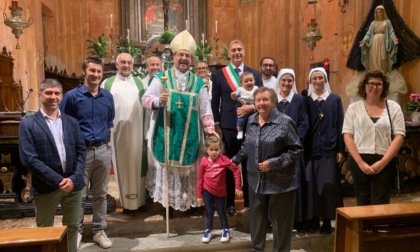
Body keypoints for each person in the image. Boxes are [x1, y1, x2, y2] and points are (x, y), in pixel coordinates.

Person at [141, 30, 218, 216]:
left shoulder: (199, 84)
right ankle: (167, 206)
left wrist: (210, 129)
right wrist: (158, 101)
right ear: (174, 57)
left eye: (187, 56)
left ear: (191, 59)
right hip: (166, 131)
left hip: (189, 134)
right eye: (180, 55)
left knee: (187, 170)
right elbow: (145, 99)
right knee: (167, 168)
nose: (183, 59)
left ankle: (187, 203)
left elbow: (206, 109)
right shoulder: (161, 78)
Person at [232, 87, 303, 252]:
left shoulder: (285, 122)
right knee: (256, 219)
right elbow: (247, 145)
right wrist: (235, 159)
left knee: (281, 223)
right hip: (256, 179)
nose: (261, 103)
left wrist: (273, 163)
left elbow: (297, 150)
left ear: (274, 102)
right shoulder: (251, 120)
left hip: (281, 182)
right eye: (258, 100)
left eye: (265, 100)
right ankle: (257, 249)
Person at [19, 79, 86, 252]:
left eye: (57, 93)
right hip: (46, 186)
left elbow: (81, 152)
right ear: (40, 95)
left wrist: (74, 178)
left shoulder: (72, 122)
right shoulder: (28, 124)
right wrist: (58, 180)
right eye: (48, 93)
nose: (53, 97)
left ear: (62, 96)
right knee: (45, 230)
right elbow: (29, 159)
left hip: (73, 186)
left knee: (72, 226)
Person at [60, 56, 115, 249]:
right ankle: (77, 231)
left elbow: (109, 122)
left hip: (102, 150)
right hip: (80, 152)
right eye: (92, 71)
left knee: (100, 193)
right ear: (84, 71)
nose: (96, 75)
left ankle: (99, 231)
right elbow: (63, 124)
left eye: (99, 72)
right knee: (78, 194)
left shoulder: (107, 97)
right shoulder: (72, 97)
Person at [211, 39, 263, 215]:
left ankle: (250, 200)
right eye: (233, 50)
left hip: (251, 125)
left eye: (239, 49)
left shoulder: (254, 73)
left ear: (244, 51)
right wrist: (217, 124)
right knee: (230, 164)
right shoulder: (219, 74)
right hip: (227, 126)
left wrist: (253, 108)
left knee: (250, 163)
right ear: (229, 54)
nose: (237, 52)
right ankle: (229, 203)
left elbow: (263, 100)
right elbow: (214, 101)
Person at [343, 70, 405, 206]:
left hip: (385, 159)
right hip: (359, 159)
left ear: (384, 87)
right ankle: (364, 228)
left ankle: (379, 228)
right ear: (364, 86)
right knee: (362, 200)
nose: (374, 87)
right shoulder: (354, 108)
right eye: (371, 83)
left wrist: (383, 162)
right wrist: (360, 163)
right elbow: (347, 135)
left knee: (381, 202)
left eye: (379, 84)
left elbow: (399, 136)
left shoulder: (393, 107)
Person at [101, 53, 148, 214]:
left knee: (138, 164)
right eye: (123, 62)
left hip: (137, 131)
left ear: (133, 65)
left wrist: (147, 131)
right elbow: (102, 108)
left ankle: (140, 201)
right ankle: (126, 203)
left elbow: (147, 109)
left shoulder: (140, 83)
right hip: (116, 133)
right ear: (116, 64)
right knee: (121, 165)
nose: (126, 65)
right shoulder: (107, 84)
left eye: (129, 62)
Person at [305, 67, 344, 234]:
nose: (318, 81)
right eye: (315, 79)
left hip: (329, 149)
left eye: (321, 78)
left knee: (328, 186)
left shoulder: (335, 99)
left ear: (325, 80)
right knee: (311, 186)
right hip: (310, 150)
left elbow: (341, 124)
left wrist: (341, 149)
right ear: (310, 82)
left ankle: (327, 220)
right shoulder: (305, 100)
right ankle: (313, 219)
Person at [275, 68, 309, 232]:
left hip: (294, 151)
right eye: (284, 80)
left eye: (290, 81)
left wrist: (295, 142)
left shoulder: (299, 100)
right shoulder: (273, 100)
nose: (287, 83)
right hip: (276, 151)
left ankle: (296, 219)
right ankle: (276, 219)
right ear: (279, 82)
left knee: (295, 185)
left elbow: (304, 123)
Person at [196, 136, 243, 243]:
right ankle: (208, 230)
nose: (214, 152)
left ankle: (225, 230)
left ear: (220, 149)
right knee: (209, 212)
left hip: (221, 193)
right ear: (206, 150)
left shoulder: (224, 160)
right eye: (211, 150)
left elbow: (235, 169)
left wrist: (238, 187)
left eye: (216, 149)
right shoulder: (203, 162)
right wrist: (199, 195)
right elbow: (199, 179)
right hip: (207, 192)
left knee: (222, 211)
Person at [360, 5, 398, 74]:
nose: (379, 13)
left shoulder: (387, 22)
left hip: (383, 42)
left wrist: (394, 39)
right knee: (374, 59)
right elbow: (368, 33)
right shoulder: (373, 23)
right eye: (378, 12)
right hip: (373, 43)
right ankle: (374, 75)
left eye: (380, 12)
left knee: (383, 58)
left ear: (383, 13)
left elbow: (391, 32)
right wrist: (364, 40)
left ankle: (383, 75)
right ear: (376, 14)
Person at [231, 72, 258, 140]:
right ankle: (240, 131)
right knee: (240, 120)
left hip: (253, 107)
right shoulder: (240, 89)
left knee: (252, 120)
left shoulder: (256, 89)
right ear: (241, 83)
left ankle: (248, 132)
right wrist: (233, 95)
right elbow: (235, 97)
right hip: (242, 105)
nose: (249, 82)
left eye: (251, 80)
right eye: (246, 81)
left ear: (254, 81)